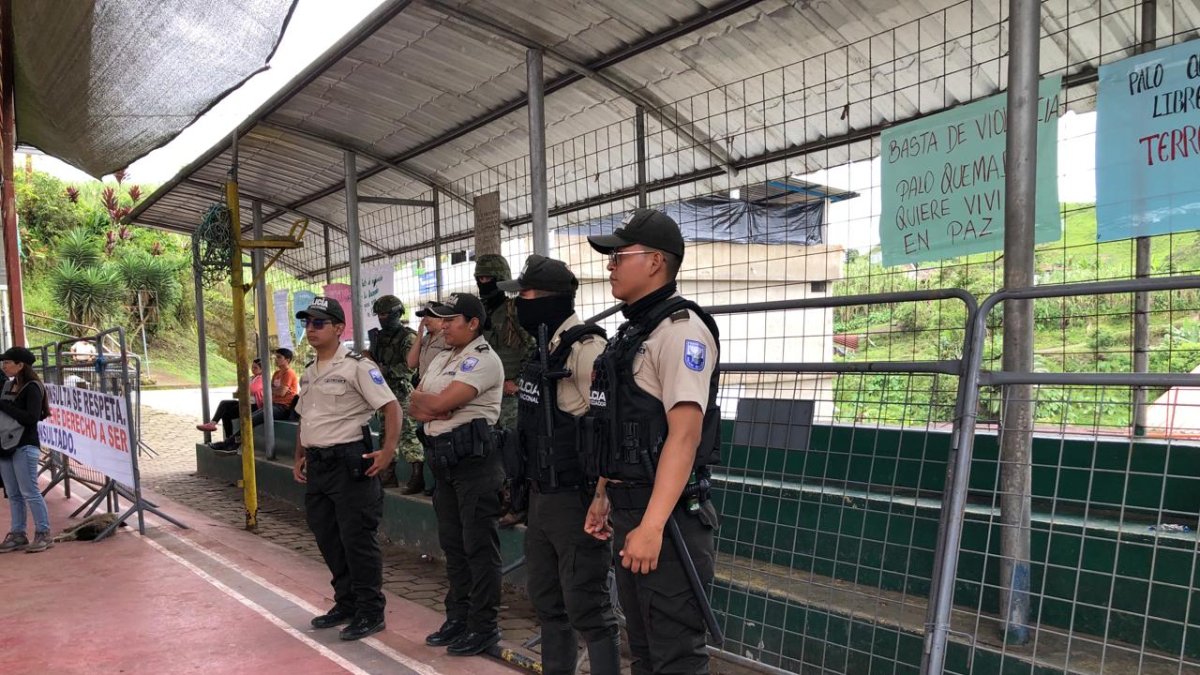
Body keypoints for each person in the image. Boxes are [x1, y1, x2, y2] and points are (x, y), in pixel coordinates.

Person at [582, 209, 722, 675]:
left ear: (656, 261)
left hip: (668, 519)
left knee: (675, 657)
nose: (610, 266)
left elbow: (685, 436)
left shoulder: (681, 331)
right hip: (631, 509)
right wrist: (603, 493)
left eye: (619, 256)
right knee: (643, 650)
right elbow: (619, 424)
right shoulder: (635, 333)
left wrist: (653, 525)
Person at [499, 255, 620, 674]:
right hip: (540, 496)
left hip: (575, 499)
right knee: (548, 602)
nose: (519, 304)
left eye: (525, 295)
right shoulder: (544, 349)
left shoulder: (587, 350)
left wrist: (601, 495)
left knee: (588, 607)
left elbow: (607, 430)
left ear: (550, 298)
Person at [291, 297, 401, 641]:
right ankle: (347, 602)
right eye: (307, 323)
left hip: (349, 462)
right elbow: (306, 418)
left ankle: (371, 610)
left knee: (357, 539)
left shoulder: (358, 367)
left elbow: (392, 407)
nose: (311, 329)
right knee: (327, 536)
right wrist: (299, 454)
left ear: (339, 328)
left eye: (318, 323)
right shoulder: (309, 371)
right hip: (318, 464)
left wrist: (388, 451)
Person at [408, 293, 505, 657]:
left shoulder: (483, 359)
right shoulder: (443, 357)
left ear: (473, 323)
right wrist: (434, 407)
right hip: (444, 463)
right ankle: (458, 617)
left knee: (479, 547)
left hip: (474, 465)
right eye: (442, 320)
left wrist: (434, 405)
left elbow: (434, 403)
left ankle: (483, 626)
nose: (444, 326)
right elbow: (416, 403)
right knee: (454, 545)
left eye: (451, 320)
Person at [473, 254, 532, 527]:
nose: (483, 282)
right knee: (493, 449)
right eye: (479, 278)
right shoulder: (480, 313)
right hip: (488, 393)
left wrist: (519, 381)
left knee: (513, 448)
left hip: (511, 395)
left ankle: (519, 504)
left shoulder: (514, 311)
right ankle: (503, 498)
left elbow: (534, 346)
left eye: (488, 278)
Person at [0, 347, 54, 554]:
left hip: (24, 445)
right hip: (5, 446)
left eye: (8, 362)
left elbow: (31, 418)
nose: (4, 366)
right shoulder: (9, 385)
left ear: (20, 365)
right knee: (13, 493)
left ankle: (43, 533)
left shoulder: (32, 387)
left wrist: (4, 406)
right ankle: (18, 533)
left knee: (30, 491)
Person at [366, 295, 422, 492]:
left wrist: (385, 370)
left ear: (397, 313)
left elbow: (410, 368)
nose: (381, 318)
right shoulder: (378, 337)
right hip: (383, 392)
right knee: (385, 434)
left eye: (385, 314)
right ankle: (388, 475)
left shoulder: (408, 337)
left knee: (408, 434)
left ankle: (417, 477)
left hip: (401, 391)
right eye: (379, 314)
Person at [211, 348, 298, 453]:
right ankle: (232, 443)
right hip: (273, 405)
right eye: (276, 357)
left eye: (279, 357)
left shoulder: (289, 373)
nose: (276, 359)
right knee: (248, 419)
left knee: (251, 420)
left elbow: (281, 392)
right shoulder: (276, 373)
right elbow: (269, 390)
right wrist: (274, 390)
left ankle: (230, 443)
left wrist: (273, 390)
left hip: (283, 407)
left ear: (287, 360)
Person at [197, 358, 263, 438]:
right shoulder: (251, 378)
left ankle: (230, 438)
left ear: (261, 369)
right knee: (224, 403)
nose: (253, 369)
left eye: (255, 368)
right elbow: (238, 390)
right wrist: (243, 388)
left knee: (226, 414)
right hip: (245, 402)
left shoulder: (262, 378)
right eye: (252, 367)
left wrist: (243, 387)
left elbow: (252, 389)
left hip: (254, 405)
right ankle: (213, 423)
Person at [408, 301, 449, 380]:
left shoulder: (448, 339)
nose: (425, 321)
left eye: (429, 316)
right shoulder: (425, 339)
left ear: (441, 318)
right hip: (423, 383)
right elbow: (411, 363)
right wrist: (420, 333)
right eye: (424, 317)